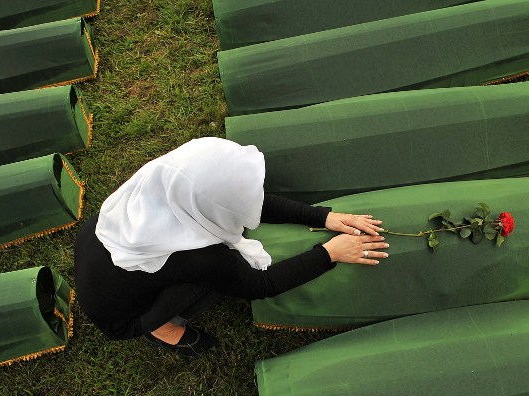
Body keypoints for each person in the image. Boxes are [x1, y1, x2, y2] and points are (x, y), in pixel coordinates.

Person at [74, 137, 389, 356]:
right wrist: (330, 253)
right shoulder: (203, 259)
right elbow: (261, 285)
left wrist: (323, 217)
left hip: (99, 255)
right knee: (221, 276)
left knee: (201, 270)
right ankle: (159, 326)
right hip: (120, 317)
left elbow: (243, 202)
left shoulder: (163, 186)